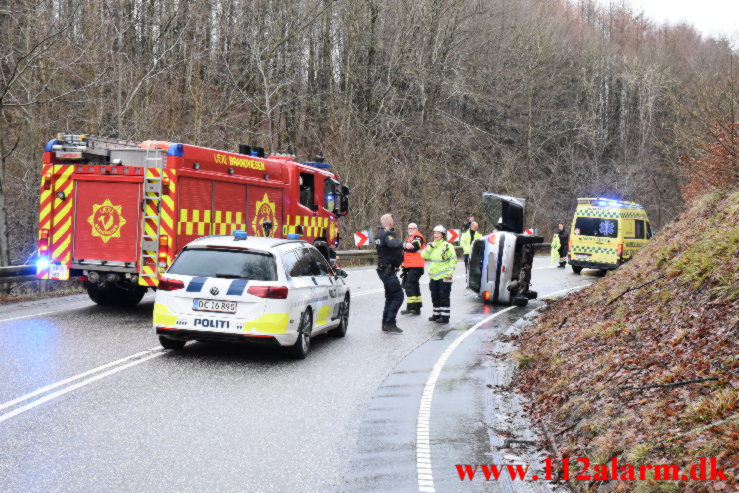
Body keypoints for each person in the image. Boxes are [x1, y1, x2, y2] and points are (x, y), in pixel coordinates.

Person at [421, 225, 457, 323]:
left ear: (442, 235)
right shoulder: (431, 245)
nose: (435, 235)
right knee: (435, 296)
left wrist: (450, 273)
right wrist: (431, 246)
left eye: (438, 233)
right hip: (433, 276)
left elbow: (453, 260)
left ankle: (445, 317)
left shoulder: (447, 245)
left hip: (445, 276)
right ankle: (436, 315)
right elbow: (423, 255)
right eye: (434, 233)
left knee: (444, 296)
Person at [375, 214, 404, 333]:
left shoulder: (379, 233)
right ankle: (390, 323)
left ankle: (386, 323)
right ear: (390, 223)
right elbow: (393, 244)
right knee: (398, 296)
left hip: (384, 269)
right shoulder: (387, 233)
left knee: (390, 297)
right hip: (387, 271)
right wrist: (404, 245)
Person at [400, 223, 425, 315]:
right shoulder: (409, 239)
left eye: (412, 228)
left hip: (416, 266)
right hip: (410, 266)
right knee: (413, 285)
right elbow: (405, 249)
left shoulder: (418, 237)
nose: (410, 230)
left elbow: (414, 247)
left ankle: (412, 307)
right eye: (409, 228)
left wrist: (404, 245)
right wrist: (405, 245)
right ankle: (417, 307)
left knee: (409, 285)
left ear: (416, 229)